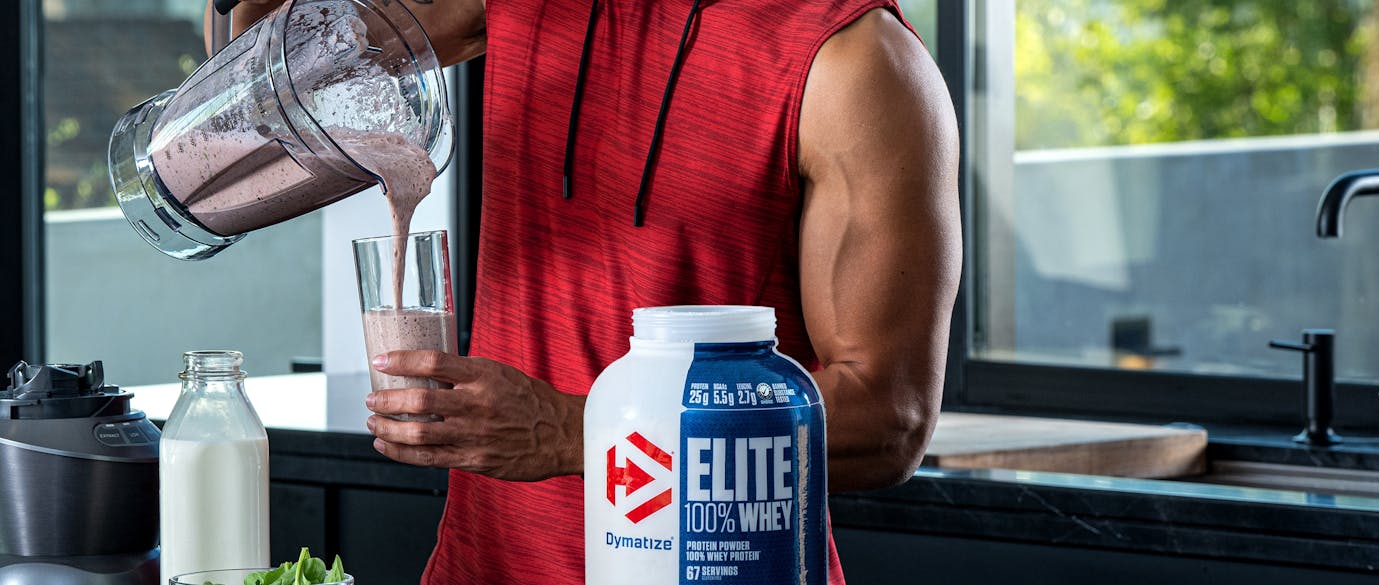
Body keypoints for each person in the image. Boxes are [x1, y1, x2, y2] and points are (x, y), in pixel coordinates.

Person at [220, 0, 958, 582]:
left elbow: (887, 419)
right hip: (483, 569)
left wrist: (574, 430)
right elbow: (275, 81)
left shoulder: (858, 61)